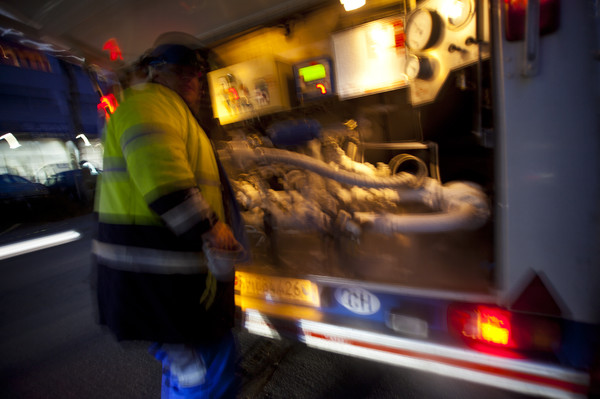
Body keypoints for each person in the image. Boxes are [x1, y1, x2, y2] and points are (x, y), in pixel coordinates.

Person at [92, 32, 248, 398]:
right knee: (210, 374)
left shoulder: (170, 110)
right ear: (154, 72)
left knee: (190, 372)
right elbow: (164, 181)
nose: (192, 80)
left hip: (164, 281)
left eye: (195, 73)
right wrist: (213, 228)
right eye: (182, 71)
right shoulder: (150, 105)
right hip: (163, 282)